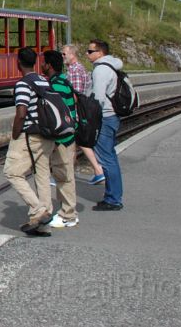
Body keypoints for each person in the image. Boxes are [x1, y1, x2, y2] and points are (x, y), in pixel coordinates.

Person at [3, 47, 55, 236]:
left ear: (18, 63)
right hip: (47, 136)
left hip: (30, 135)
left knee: (12, 172)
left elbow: (21, 113)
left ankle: (38, 211)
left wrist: (15, 133)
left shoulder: (23, 84)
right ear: (35, 62)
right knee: (41, 175)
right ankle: (43, 225)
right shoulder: (44, 81)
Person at [43, 50, 78, 228]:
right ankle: (67, 211)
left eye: (43, 62)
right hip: (68, 135)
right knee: (64, 174)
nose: (41, 65)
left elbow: (56, 115)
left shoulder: (55, 85)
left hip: (62, 138)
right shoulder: (63, 81)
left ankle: (68, 215)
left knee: (64, 175)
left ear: (49, 65)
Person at [88, 39, 124, 211]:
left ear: (100, 53)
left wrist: (89, 118)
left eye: (90, 51)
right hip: (113, 116)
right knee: (111, 157)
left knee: (107, 159)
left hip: (105, 117)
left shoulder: (101, 69)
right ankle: (113, 195)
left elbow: (98, 98)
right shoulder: (112, 66)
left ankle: (113, 199)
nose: (87, 54)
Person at [63, 43, 104, 184]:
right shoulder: (75, 69)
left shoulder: (75, 70)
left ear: (72, 54)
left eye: (64, 54)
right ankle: (68, 175)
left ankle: (97, 170)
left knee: (77, 142)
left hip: (77, 112)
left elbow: (76, 94)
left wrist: (70, 112)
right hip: (79, 112)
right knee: (74, 144)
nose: (63, 56)